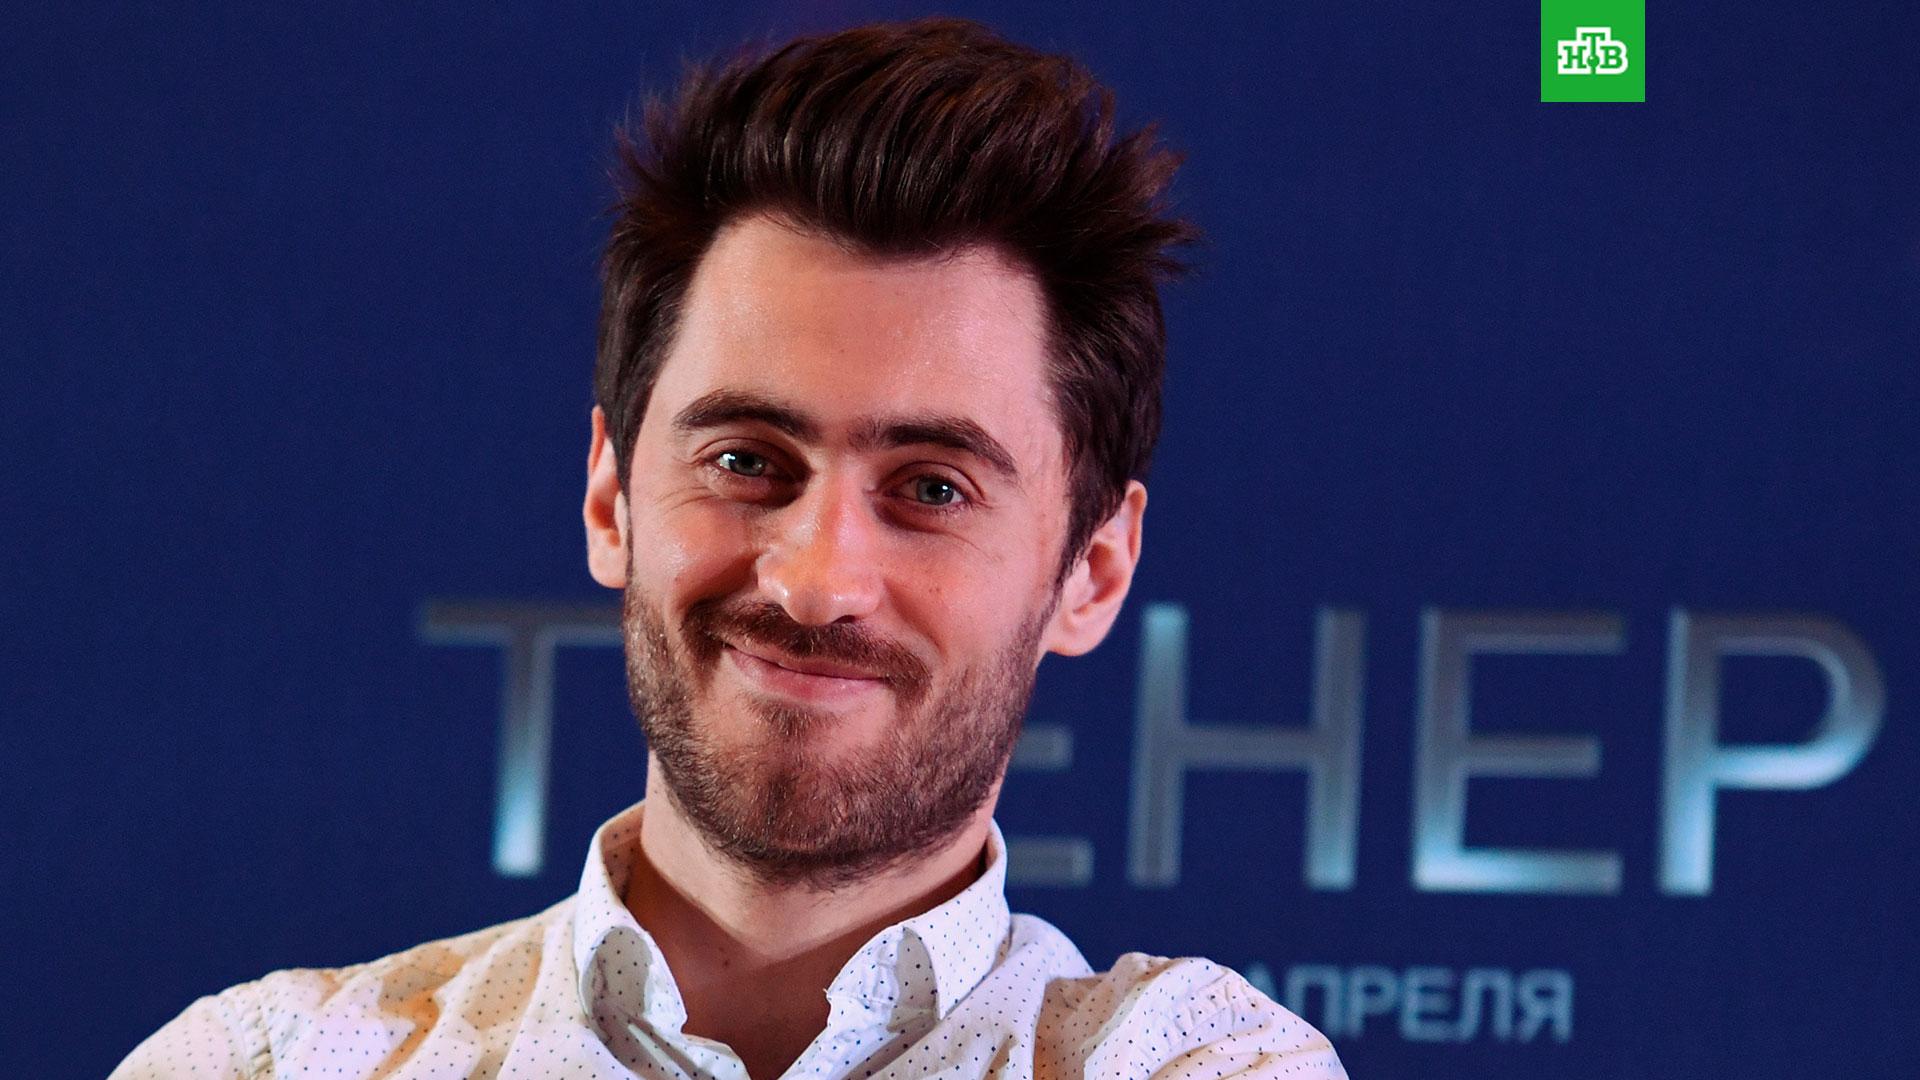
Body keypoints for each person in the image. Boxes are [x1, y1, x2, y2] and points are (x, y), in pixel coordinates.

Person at [112, 17, 1345, 1080]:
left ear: (1094, 571)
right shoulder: (269, 1060)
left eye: (931, 487)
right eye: (748, 461)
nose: (814, 581)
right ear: (611, 496)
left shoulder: (1192, 1063)